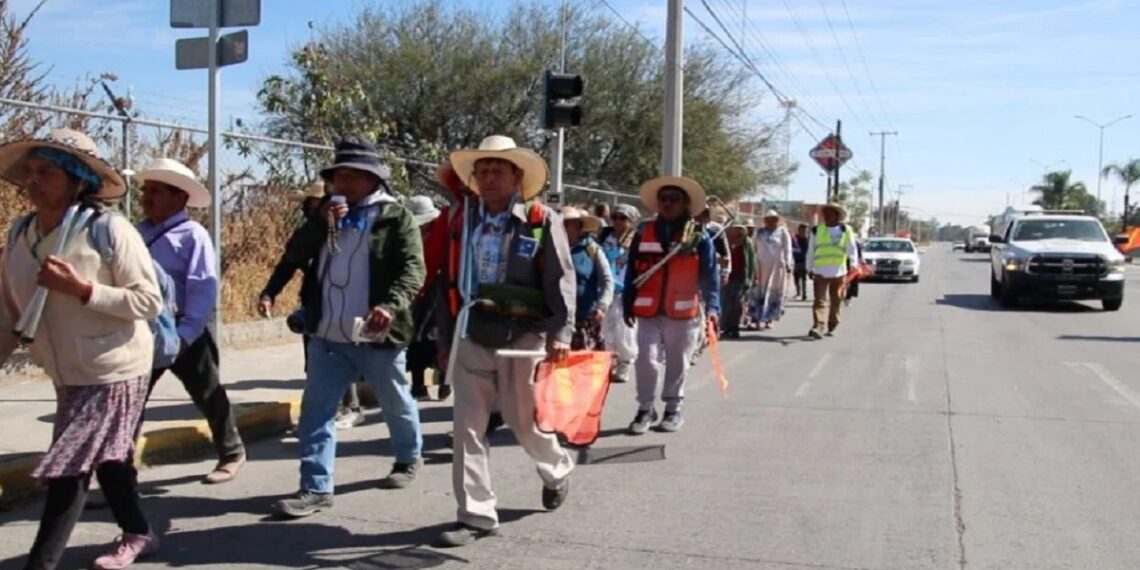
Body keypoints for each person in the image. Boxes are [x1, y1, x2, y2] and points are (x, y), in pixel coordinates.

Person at [0, 129, 163, 570]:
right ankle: (139, 531)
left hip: (115, 367)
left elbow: (148, 301)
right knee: (107, 459)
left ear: (77, 181)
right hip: (66, 372)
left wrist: (84, 290)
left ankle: (41, 564)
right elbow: (10, 312)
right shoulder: (20, 234)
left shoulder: (108, 229)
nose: (33, 181)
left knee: (69, 468)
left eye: (47, 173)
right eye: (30, 171)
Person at [271, 137, 426, 518]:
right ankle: (315, 488)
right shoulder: (327, 216)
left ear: (373, 179)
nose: (345, 183)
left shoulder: (395, 217)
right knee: (316, 412)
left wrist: (390, 305)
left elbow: (413, 269)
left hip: (376, 334)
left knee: (395, 401)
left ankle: (408, 457)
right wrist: (320, 223)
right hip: (327, 333)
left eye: (354, 176)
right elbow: (295, 253)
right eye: (339, 176)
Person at [434, 135, 575, 547]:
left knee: (521, 422)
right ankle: (476, 515)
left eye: (498, 170)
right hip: (472, 331)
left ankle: (557, 470)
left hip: (523, 335)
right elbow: (445, 280)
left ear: (516, 176)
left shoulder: (540, 219)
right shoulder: (460, 220)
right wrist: (445, 340)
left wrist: (561, 333)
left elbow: (561, 279)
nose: (490, 177)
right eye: (483, 170)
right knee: (467, 429)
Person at [136, 159, 246, 484]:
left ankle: (232, 453)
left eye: (156, 191)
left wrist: (186, 334)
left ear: (180, 198)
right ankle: (118, 472)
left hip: (184, 330)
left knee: (208, 393)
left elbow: (202, 287)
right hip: (144, 332)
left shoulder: (192, 235)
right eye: (146, 191)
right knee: (130, 400)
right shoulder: (138, 233)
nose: (147, 198)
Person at [258, 182, 367, 430]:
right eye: (314, 205)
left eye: (324, 203)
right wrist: (269, 293)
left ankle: (352, 407)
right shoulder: (307, 234)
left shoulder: (350, 229)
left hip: (346, 304)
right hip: (315, 305)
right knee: (316, 361)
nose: (320, 209)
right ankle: (317, 416)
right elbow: (287, 264)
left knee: (344, 355)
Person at [623, 176, 720, 435]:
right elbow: (632, 269)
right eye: (663, 199)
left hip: (683, 311)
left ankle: (673, 409)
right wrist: (627, 302)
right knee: (645, 360)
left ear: (685, 204)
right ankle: (645, 409)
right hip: (648, 309)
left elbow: (710, 275)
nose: (667, 204)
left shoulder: (698, 235)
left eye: (674, 199)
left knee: (678, 361)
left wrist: (713, 308)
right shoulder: (643, 232)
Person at [405, 195, 445, 400]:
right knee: (417, 338)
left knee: (438, 337)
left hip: (437, 292)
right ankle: (418, 385)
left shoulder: (440, 234)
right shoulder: (408, 237)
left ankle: (445, 381)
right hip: (416, 292)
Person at [562, 206, 614, 351]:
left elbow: (607, 280)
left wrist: (602, 306)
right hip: (555, 318)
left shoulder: (591, 249)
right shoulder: (551, 247)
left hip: (584, 318)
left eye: (569, 224)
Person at [598, 203, 640, 382]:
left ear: (631, 221)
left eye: (623, 218)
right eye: (615, 217)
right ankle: (608, 361)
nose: (618, 221)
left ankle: (624, 362)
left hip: (626, 288)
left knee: (623, 328)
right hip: (605, 287)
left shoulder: (636, 239)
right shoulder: (604, 236)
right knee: (605, 327)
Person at [806, 203, 858, 339]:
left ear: (837, 215)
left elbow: (852, 248)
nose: (827, 215)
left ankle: (833, 325)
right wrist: (809, 267)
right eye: (825, 213)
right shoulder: (816, 230)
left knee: (836, 300)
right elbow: (811, 250)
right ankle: (818, 326)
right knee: (819, 301)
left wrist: (853, 264)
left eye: (830, 213)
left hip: (839, 272)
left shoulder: (846, 230)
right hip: (820, 271)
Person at [750, 210, 793, 330]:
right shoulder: (759, 232)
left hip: (776, 268)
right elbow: (753, 248)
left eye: (774, 219)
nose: (771, 221)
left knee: (772, 293)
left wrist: (788, 263)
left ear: (777, 220)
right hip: (760, 267)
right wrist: (752, 265)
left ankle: (769, 319)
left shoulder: (783, 232)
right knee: (757, 292)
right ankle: (755, 319)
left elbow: (787, 249)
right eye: (768, 219)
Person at [721, 223, 756, 339]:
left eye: (739, 230)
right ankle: (726, 327)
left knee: (737, 302)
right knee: (727, 302)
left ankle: (734, 327)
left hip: (740, 277)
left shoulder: (747, 243)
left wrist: (750, 278)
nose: (736, 232)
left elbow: (751, 262)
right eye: (734, 229)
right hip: (727, 276)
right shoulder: (725, 242)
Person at [844, 238, 865, 307]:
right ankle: (844, 297)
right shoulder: (842, 240)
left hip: (853, 265)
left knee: (853, 282)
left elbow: (859, 254)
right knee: (843, 282)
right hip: (843, 264)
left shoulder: (855, 242)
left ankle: (848, 298)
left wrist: (862, 261)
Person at [791, 223, 809, 301]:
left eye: (805, 231)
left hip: (804, 261)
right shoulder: (795, 239)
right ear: (799, 230)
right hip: (796, 261)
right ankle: (798, 292)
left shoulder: (806, 240)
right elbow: (791, 247)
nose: (803, 232)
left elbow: (807, 251)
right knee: (796, 278)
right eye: (802, 230)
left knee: (804, 278)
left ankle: (804, 294)